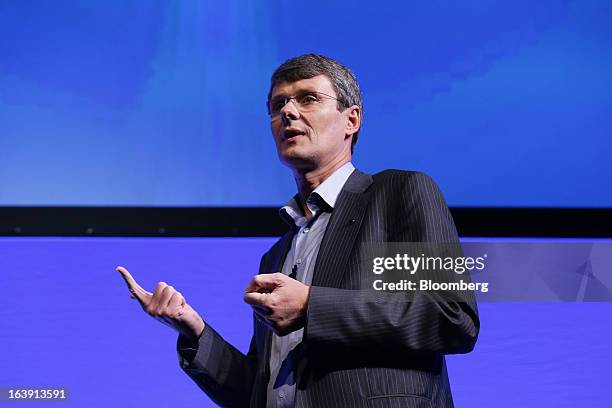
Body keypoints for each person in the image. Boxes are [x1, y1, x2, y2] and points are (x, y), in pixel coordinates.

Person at [117, 54, 479, 407]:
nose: (287, 112)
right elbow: (258, 390)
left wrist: (310, 305)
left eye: (308, 99)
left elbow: (449, 317)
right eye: (278, 105)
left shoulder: (396, 196)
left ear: (351, 120)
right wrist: (194, 330)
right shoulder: (277, 254)